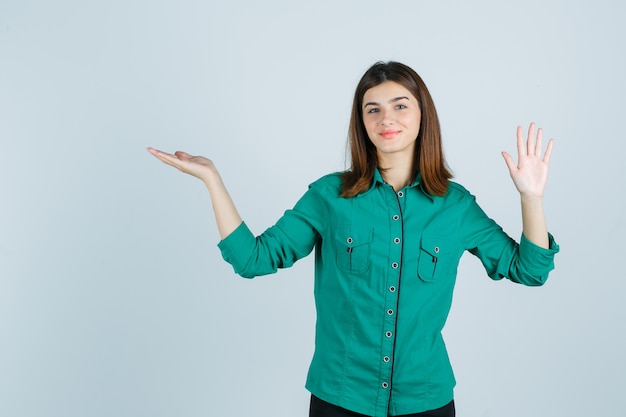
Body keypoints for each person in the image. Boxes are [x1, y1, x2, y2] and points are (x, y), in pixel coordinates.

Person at [147, 61, 559, 417]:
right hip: (340, 399)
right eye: (372, 109)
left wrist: (531, 198)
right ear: (361, 121)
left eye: (400, 106)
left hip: (426, 399)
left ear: (422, 116)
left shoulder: (455, 206)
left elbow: (530, 270)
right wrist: (212, 180)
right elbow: (253, 258)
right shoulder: (330, 196)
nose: (386, 119)